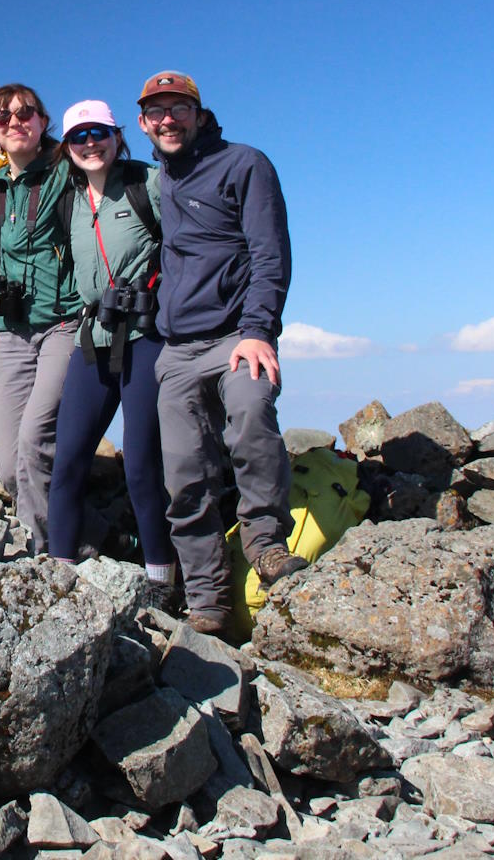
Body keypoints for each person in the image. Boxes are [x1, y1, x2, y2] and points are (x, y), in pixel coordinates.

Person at [140, 70, 301, 637]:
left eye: (178, 108)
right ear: (143, 124)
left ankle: (264, 542)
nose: (167, 119)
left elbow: (270, 252)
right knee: (184, 474)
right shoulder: (160, 179)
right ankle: (207, 600)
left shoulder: (244, 164)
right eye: (156, 111)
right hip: (178, 350)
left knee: (252, 414)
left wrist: (259, 329)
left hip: (238, 335)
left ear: (199, 113)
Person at [43, 100, 176, 594]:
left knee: (142, 463)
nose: (89, 143)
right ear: (68, 148)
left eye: (99, 132)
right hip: (93, 339)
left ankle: (161, 580)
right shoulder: (70, 200)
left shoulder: (148, 185)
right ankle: (58, 578)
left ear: (118, 136)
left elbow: (191, 239)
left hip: (147, 337)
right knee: (68, 459)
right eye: (79, 136)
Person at [0, 83, 81, 552]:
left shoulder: (67, 168)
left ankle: (38, 557)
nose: (14, 122)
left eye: (26, 114)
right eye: (3, 117)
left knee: (37, 439)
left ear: (44, 122)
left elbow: (111, 159)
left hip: (61, 322)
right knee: (8, 463)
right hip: (10, 329)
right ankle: (84, 533)